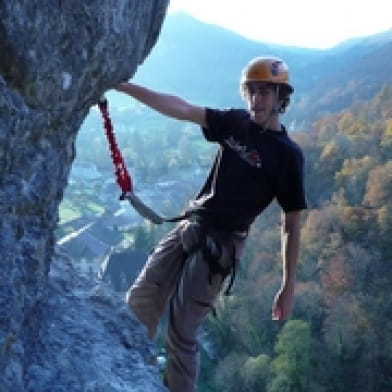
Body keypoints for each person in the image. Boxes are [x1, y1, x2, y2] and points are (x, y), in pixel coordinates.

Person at [114, 56, 307, 392]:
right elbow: (184, 109)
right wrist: (124, 87)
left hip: (222, 246)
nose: (256, 100)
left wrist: (288, 285)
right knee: (141, 300)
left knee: (183, 332)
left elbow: (291, 224)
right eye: (252, 91)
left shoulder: (287, 156)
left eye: (265, 92)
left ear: (281, 98)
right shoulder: (235, 123)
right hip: (192, 225)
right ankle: (124, 370)